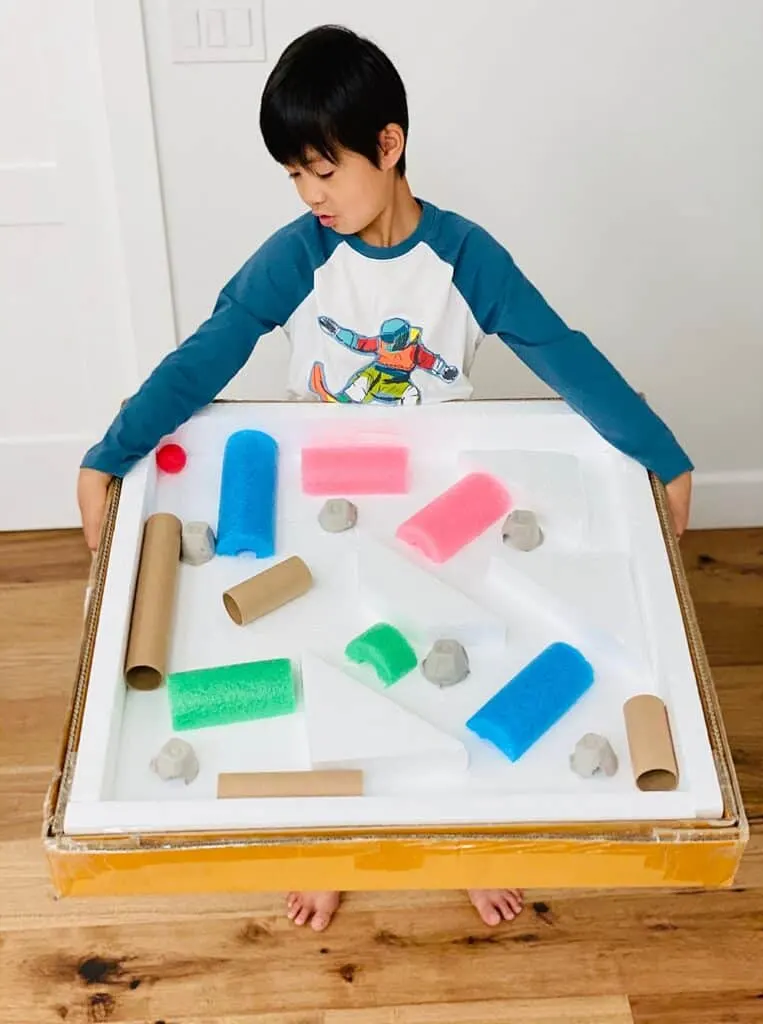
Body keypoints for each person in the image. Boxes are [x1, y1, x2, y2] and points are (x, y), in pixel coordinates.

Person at [77, 24, 694, 932]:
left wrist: (663, 453)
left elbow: (564, 355)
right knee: (331, 665)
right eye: (294, 175)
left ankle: (459, 837)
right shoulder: (300, 254)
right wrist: (111, 449)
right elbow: (209, 351)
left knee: (453, 668)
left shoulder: (464, 256)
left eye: (324, 170)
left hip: (434, 494)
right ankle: (332, 840)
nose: (310, 194)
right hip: (320, 489)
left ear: (390, 145)